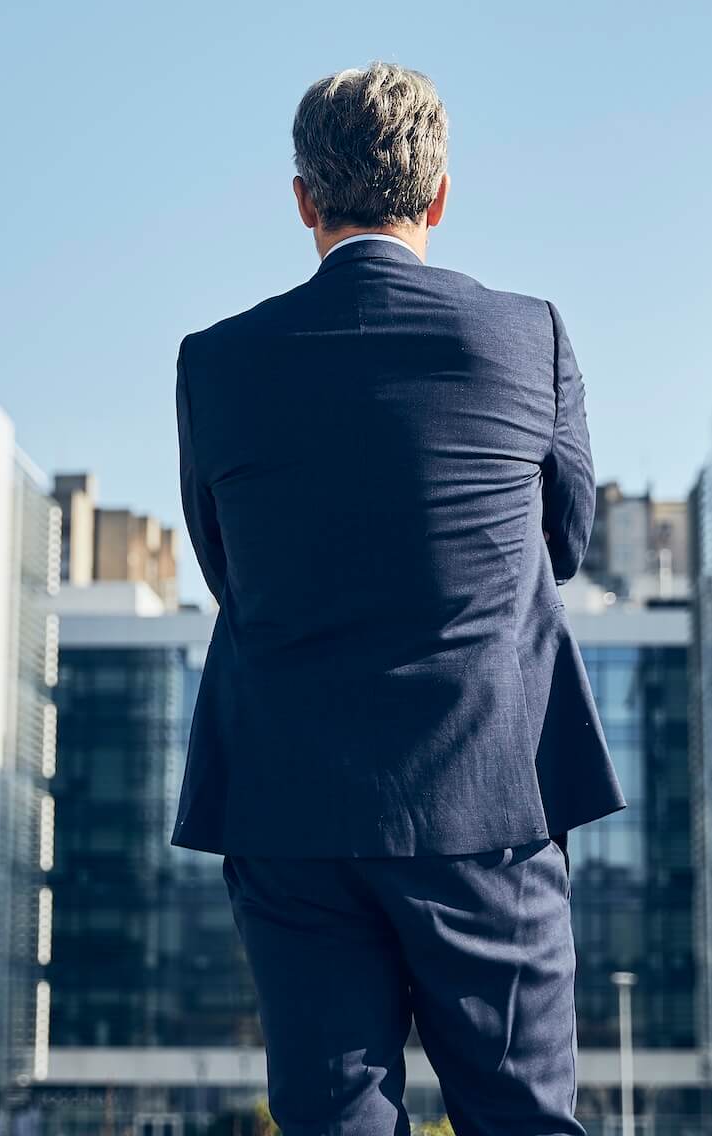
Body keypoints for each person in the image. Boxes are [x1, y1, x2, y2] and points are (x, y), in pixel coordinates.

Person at [171, 62, 624, 1136]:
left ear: (303, 201)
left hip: (292, 809)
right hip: (488, 803)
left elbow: (226, 567)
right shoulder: (529, 335)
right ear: (440, 196)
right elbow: (566, 540)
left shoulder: (216, 363)